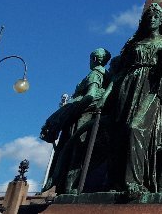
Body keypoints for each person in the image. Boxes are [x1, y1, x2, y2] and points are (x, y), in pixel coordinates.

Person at [107, 4, 162, 197]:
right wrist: (106, 96)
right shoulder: (135, 42)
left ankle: (136, 181)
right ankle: (114, 181)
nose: (151, 19)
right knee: (120, 131)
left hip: (151, 87)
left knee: (135, 128)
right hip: (128, 85)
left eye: (155, 16)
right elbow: (119, 71)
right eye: (149, 16)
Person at [40, 48, 112, 194]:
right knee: (81, 153)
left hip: (83, 116)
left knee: (76, 153)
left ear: (95, 59)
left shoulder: (95, 74)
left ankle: (68, 189)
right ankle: (70, 188)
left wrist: (72, 109)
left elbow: (90, 95)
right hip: (91, 116)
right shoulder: (108, 76)